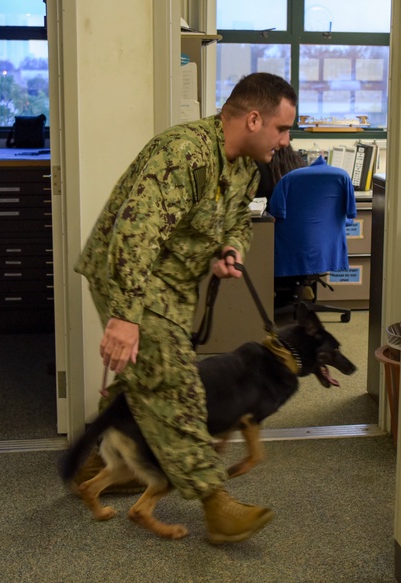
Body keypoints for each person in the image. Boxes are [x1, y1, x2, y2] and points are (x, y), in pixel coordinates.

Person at [73, 72, 297, 544]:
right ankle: (217, 505)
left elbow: (238, 220)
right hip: (131, 277)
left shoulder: (243, 169)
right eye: (281, 128)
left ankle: (97, 461)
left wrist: (230, 248)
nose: (286, 139)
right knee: (177, 383)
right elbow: (133, 238)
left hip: (172, 285)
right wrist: (124, 318)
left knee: (146, 376)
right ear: (253, 119)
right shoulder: (183, 153)